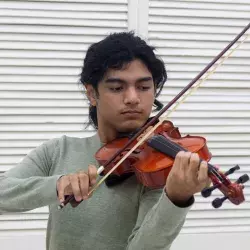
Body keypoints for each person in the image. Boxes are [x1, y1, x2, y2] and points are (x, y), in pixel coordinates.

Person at [0, 32, 210, 250]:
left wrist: (176, 199)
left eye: (144, 87)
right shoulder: (58, 151)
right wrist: (57, 184)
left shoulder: (156, 169)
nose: (132, 98)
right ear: (92, 94)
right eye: (117, 88)